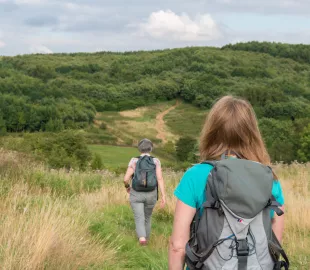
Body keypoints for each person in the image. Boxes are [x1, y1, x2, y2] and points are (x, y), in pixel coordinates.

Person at [168, 96, 285, 269]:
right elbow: (274, 244)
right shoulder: (269, 179)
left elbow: (178, 246)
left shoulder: (196, 175)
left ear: (212, 131)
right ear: (252, 133)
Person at [124, 138, 166, 246]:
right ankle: (145, 239)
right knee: (147, 217)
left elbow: (125, 178)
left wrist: (127, 186)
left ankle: (142, 238)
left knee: (139, 217)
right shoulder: (155, 161)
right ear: (151, 149)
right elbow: (160, 178)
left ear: (139, 149)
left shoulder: (134, 160)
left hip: (136, 193)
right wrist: (163, 196)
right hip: (151, 194)